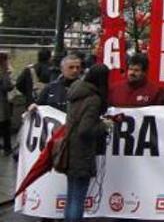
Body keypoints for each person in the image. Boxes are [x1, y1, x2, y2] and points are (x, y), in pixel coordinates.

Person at [63, 64, 112, 222]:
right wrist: (104, 125)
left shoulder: (76, 89)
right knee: (78, 197)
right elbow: (85, 129)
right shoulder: (93, 99)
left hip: (70, 148)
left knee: (71, 194)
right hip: (82, 152)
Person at [0, 53, 13, 155]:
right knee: (5, 127)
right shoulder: (3, 71)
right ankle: (7, 148)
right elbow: (7, 87)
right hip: (1, 105)